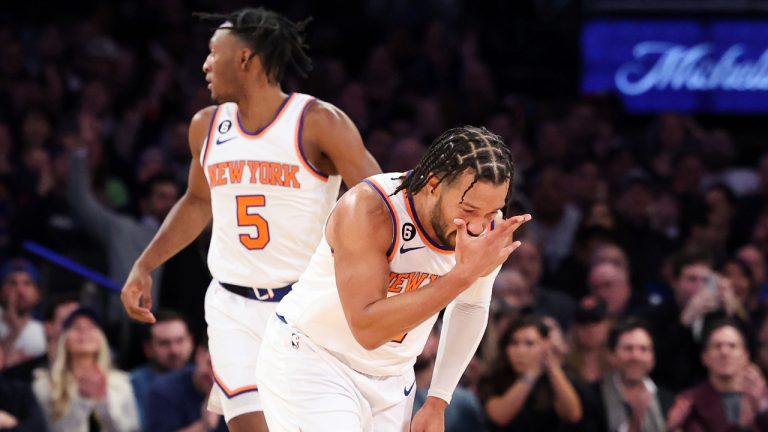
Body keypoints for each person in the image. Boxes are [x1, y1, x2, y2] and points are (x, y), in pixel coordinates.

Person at [120, 7, 381, 432]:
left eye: (212, 52)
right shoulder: (206, 126)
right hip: (232, 305)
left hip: (305, 306)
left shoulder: (318, 122)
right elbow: (196, 202)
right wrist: (143, 265)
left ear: (244, 57)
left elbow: (379, 199)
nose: (204, 64)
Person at [257, 125, 529, 431]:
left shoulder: (486, 228)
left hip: (394, 380)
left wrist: (438, 400)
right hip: (315, 360)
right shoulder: (370, 209)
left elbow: (470, 306)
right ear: (433, 183)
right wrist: (462, 275)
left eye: (493, 211)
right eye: (468, 210)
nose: (478, 226)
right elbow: (367, 328)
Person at [32, 307, 139, 432]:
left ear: (101, 338)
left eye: (91, 326)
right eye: (76, 327)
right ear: (64, 339)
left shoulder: (121, 383)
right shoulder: (45, 384)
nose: (84, 331)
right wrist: (83, 399)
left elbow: (131, 428)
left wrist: (102, 401)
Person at [478, 314, 583, 431]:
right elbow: (499, 417)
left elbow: (573, 415)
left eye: (530, 344)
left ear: (545, 345)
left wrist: (553, 368)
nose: (520, 351)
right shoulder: (493, 378)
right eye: (514, 343)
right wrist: (531, 374)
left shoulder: (561, 377)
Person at [667, 320, 768, 431]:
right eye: (717, 346)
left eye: (732, 346)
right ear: (704, 357)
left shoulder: (762, 398)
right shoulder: (690, 403)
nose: (724, 352)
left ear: (745, 356)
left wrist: (762, 409)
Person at [587, 318, 674, 432]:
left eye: (643, 349)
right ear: (611, 355)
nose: (636, 357)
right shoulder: (591, 397)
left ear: (652, 359)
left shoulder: (670, 401)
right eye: (628, 349)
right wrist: (635, 422)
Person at [144, 336, 227, 432]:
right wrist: (204, 426)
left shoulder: (239, 395)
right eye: (211, 364)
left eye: (225, 371)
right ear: (200, 354)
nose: (214, 376)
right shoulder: (165, 389)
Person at [129, 310, 194, 427]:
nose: (174, 350)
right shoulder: (133, 383)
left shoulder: (203, 376)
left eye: (180, 340)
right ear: (148, 348)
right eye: (164, 343)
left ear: (191, 341)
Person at [0, 259, 46, 369]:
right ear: (1, 292)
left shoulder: (45, 333)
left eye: (27, 283)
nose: (19, 290)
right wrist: (14, 332)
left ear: (38, 295)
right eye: (12, 283)